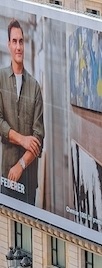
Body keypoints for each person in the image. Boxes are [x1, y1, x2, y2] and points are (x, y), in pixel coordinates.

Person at [0, 21, 44, 206]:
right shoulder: (1, 79)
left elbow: (39, 137)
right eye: (15, 41)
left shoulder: (34, 86)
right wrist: (23, 139)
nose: (18, 47)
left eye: (21, 42)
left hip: (28, 179)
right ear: (9, 44)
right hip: (6, 176)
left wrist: (21, 165)